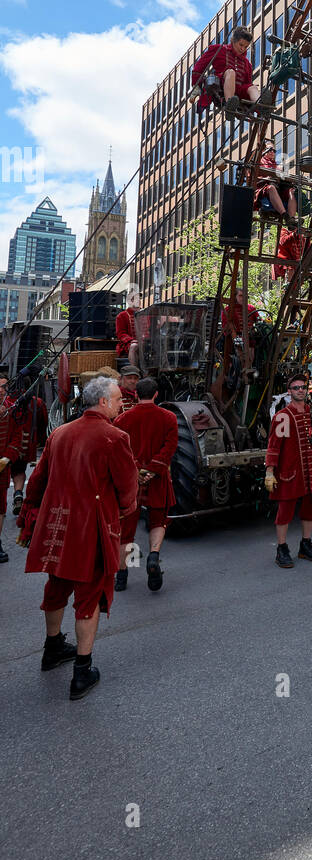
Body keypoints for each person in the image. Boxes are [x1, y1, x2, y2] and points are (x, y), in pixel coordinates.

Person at [17, 376, 139, 700]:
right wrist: (125, 511)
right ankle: (82, 672)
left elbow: (36, 481)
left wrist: (29, 513)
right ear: (102, 403)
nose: (120, 404)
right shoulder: (115, 437)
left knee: (56, 586)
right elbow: (128, 489)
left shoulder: (59, 433)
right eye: (116, 400)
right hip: (91, 529)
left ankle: (53, 647)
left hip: (57, 524)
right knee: (90, 596)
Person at [113, 378, 179, 591]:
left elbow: (119, 452)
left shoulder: (122, 419)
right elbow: (170, 447)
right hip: (158, 478)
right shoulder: (169, 417)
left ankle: (122, 576)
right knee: (158, 521)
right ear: (156, 394)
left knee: (126, 530)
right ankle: (153, 556)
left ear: (136, 393)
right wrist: (152, 469)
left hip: (131, 481)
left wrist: (137, 470)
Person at [265, 372, 312, 567]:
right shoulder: (283, 417)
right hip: (289, 474)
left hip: (311, 472)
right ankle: (282, 548)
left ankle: (305, 545)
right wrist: (270, 472)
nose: (300, 391)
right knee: (284, 512)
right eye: (296, 388)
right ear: (289, 392)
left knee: (310, 510)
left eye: (303, 387)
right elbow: (274, 447)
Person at [190, 25, 265, 118]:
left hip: (238, 93)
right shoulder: (219, 50)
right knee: (231, 71)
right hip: (221, 85)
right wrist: (196, 85)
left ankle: (261, 108)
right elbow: (200, 66)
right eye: (241, 45)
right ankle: (229, 105)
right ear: (233, 41)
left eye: (246, 47)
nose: (243, 49)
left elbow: (247, 83)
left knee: (252, 87)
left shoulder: (247, 64)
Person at [9, 370, 49, 516]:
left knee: (10, 471)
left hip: (8, 444)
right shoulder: (37, 402)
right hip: (25, 444)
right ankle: (18, 492)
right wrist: (40, 440)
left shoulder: (9, 402)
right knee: (19, 470)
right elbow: (43, 422)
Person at [0, 371, 24, 563]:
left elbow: (17, 437)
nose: (0, 391)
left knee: (0, 508)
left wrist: (7, 458)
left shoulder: (11, 409)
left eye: (3, 387)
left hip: (2, 466)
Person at [254, 139, 298, 220]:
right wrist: (267, 178)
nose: (272, 152)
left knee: (291, 190)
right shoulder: (259, 161)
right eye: (269, 149)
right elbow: (253, 178)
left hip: (278, 187)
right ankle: (284, 215)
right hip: (265, 187)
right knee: (271, 188)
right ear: (264, 151)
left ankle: (291, 219)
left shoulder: (276, 165)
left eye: (274, 150)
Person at [115, 286, 142, 368]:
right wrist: (132, 341)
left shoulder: (145, 314)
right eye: (135, 298)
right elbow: (121, 334)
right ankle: (134, 371)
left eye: (139, 298)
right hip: (128, 344)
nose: (139, 300)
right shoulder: (122, 315)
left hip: (144, 342)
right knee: (134, 346)